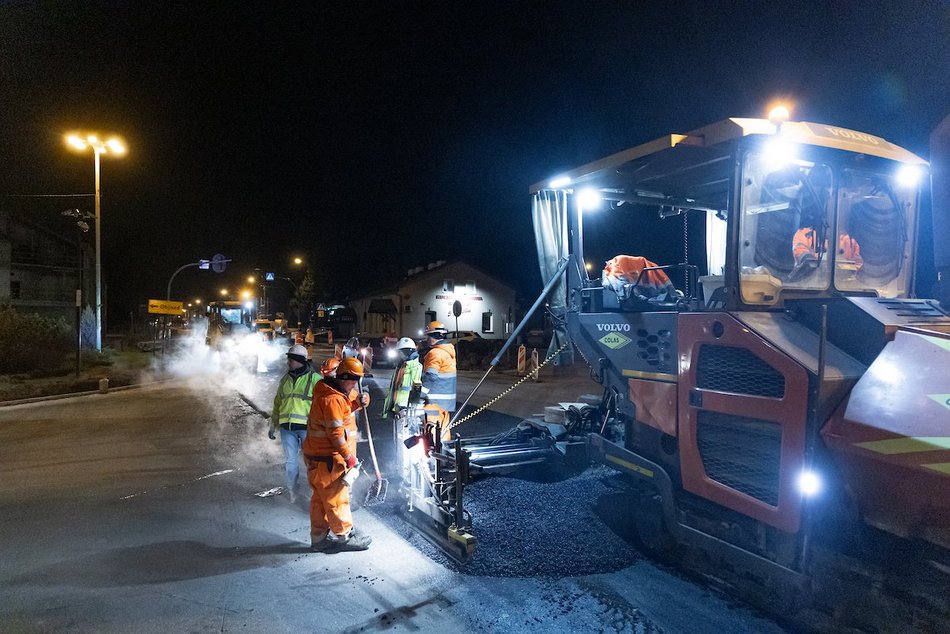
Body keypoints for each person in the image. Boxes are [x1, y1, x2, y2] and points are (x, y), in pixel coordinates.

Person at [302, 357, 372, 552]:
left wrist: (360, 401)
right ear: (345, 377)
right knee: (336, 498)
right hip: (329, 459)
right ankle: (345, 537)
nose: (355, 386)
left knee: (320, 500)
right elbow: (335, 433)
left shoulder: (330, 391)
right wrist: (348, 457)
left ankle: (318, 539)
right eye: (354, 381)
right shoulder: (333, 399)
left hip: (317, 457)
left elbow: (346, 407)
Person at [269, 344, 319, 503]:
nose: (288, 363)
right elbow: (277, 403)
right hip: (286, 428)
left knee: (312, 462)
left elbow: (325, 403)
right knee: (291, 462)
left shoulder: (315, 379)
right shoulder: (285, 379)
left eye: (291, 359)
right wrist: (273, 425)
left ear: (300, 361)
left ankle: (315, 492)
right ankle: (293, 491)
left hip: (307, 428)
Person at [382, 337, 422, 418]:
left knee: (403, 430)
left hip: (406, 408)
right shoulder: (401, 365)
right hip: (398, 406)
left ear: (405, 352)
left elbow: (415, 389)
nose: (399, 354)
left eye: (400, 352)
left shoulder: (416, 367)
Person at [421, 321, 456, 413]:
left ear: (434, 336)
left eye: (428, 336)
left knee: (431, 426)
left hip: (434, 403)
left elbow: (430, 377)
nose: (427, 339)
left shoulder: (435, 353)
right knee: (442, 426)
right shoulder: (448, 351)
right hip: (447, 403)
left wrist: (420, 395)